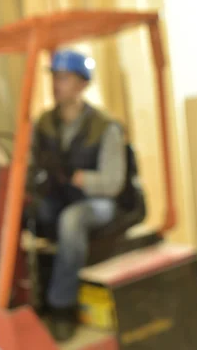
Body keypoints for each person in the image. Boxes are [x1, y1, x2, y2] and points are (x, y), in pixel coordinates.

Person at [26, 50, 128, 341]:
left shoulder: (105, 127)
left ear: (83, 84)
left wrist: (81, 178)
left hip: (98, 203)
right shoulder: (44, 124)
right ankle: (33, 296)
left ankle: (62, 306)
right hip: (61, 197)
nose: (56, 85)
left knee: (72, 219)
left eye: (64, 79)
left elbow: (113, 182)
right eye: (55, 78)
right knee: (32, 214)